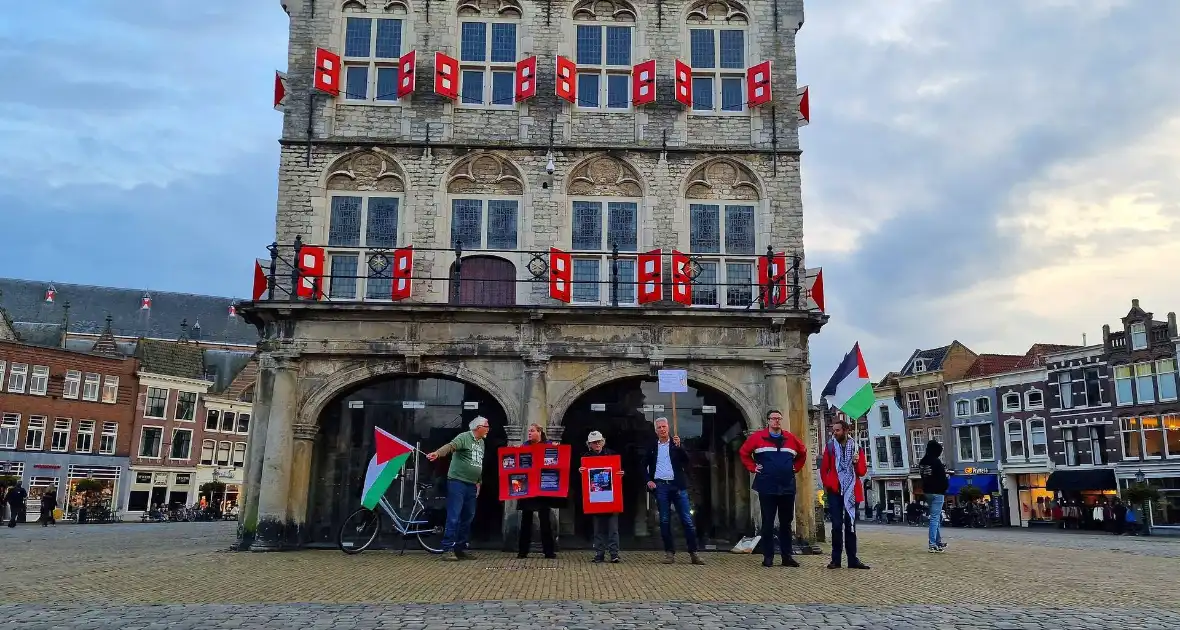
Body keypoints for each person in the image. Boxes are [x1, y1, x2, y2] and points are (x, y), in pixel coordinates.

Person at [739, 409, 807, 568]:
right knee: (768, 523)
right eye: (773, 418)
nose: (776, 421)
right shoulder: (757, 438)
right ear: (768, 421)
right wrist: (752, 467)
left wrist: (795, 467)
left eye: (779, 418)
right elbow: (743, 452)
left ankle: (787, 557)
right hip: (767, 486)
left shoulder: (790, 438)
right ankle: (768, 557)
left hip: (787, 486)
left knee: (786, 523)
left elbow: (802, 453)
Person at [426, 416, 490, 561]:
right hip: (458, 482)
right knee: (454, 516)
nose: (488, 428)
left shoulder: (482, 443)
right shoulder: (464, 437)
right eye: (486, 426)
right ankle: (447, 548)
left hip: (472, 484)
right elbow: (451, 446)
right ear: (478, 427)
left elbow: (478, 463)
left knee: (468, 517)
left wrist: (478, 483)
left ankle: (460, 548)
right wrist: (437, 453)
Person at [645, 417, 704, 565]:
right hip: (661, 487)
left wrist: (680, 447)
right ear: (655, 430)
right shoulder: (652, 446)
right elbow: (642, 465)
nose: (662, 429)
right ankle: (669, 553)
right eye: (659, 427)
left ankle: (694, 553)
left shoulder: (676, 443)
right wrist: (648, 480)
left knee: (687, 520)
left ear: (668, 427)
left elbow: (687, 461)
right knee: (664, 521)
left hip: (677, 486)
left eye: (664, 426)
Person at [820, 418, 870, 569]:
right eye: (833, 430)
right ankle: (835, 560)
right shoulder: (830, 448)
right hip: (835, 491)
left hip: (851, 490)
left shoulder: (857, 448)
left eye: (837, 430)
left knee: (851, 526)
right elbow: (824, 470)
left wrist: (856, 463)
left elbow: (861, 472)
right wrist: (829, 484)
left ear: (846, 431)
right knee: (836, 526)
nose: (834, 433)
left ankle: (852, 559)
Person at [579, 431, 622, 563]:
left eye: (599, 441)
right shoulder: (585, 457)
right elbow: (580, 481)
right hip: (595, 497)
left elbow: (623, 472)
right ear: (589, 444)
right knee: (598, 528)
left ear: (603, 442)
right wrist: (579, 472)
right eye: (594, 442)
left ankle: (614, 554)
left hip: (611, 496)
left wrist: (621, 473)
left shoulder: (612, 454)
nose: (597, 444)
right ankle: (599, 553)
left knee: (613, 528)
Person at [517, 423, 558, 559]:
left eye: (532, 431)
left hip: (543, 489)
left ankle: (549, 551)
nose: (529, 433)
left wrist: (558, 450)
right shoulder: (525, 446)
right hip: (528, 488)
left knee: (545, 521)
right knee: (526, 520)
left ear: (539, 432)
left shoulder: (549, 444)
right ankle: (523, 551)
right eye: (529, 431)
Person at [918, 440, 951, 553]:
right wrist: (944, 488)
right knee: (935, 518)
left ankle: (937, 541)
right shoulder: (937, 462)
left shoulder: (923, 461)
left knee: (935, 517)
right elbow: (942, 479)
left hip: (927, 492)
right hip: (937, 493)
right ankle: (932, 544)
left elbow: (924, 477)